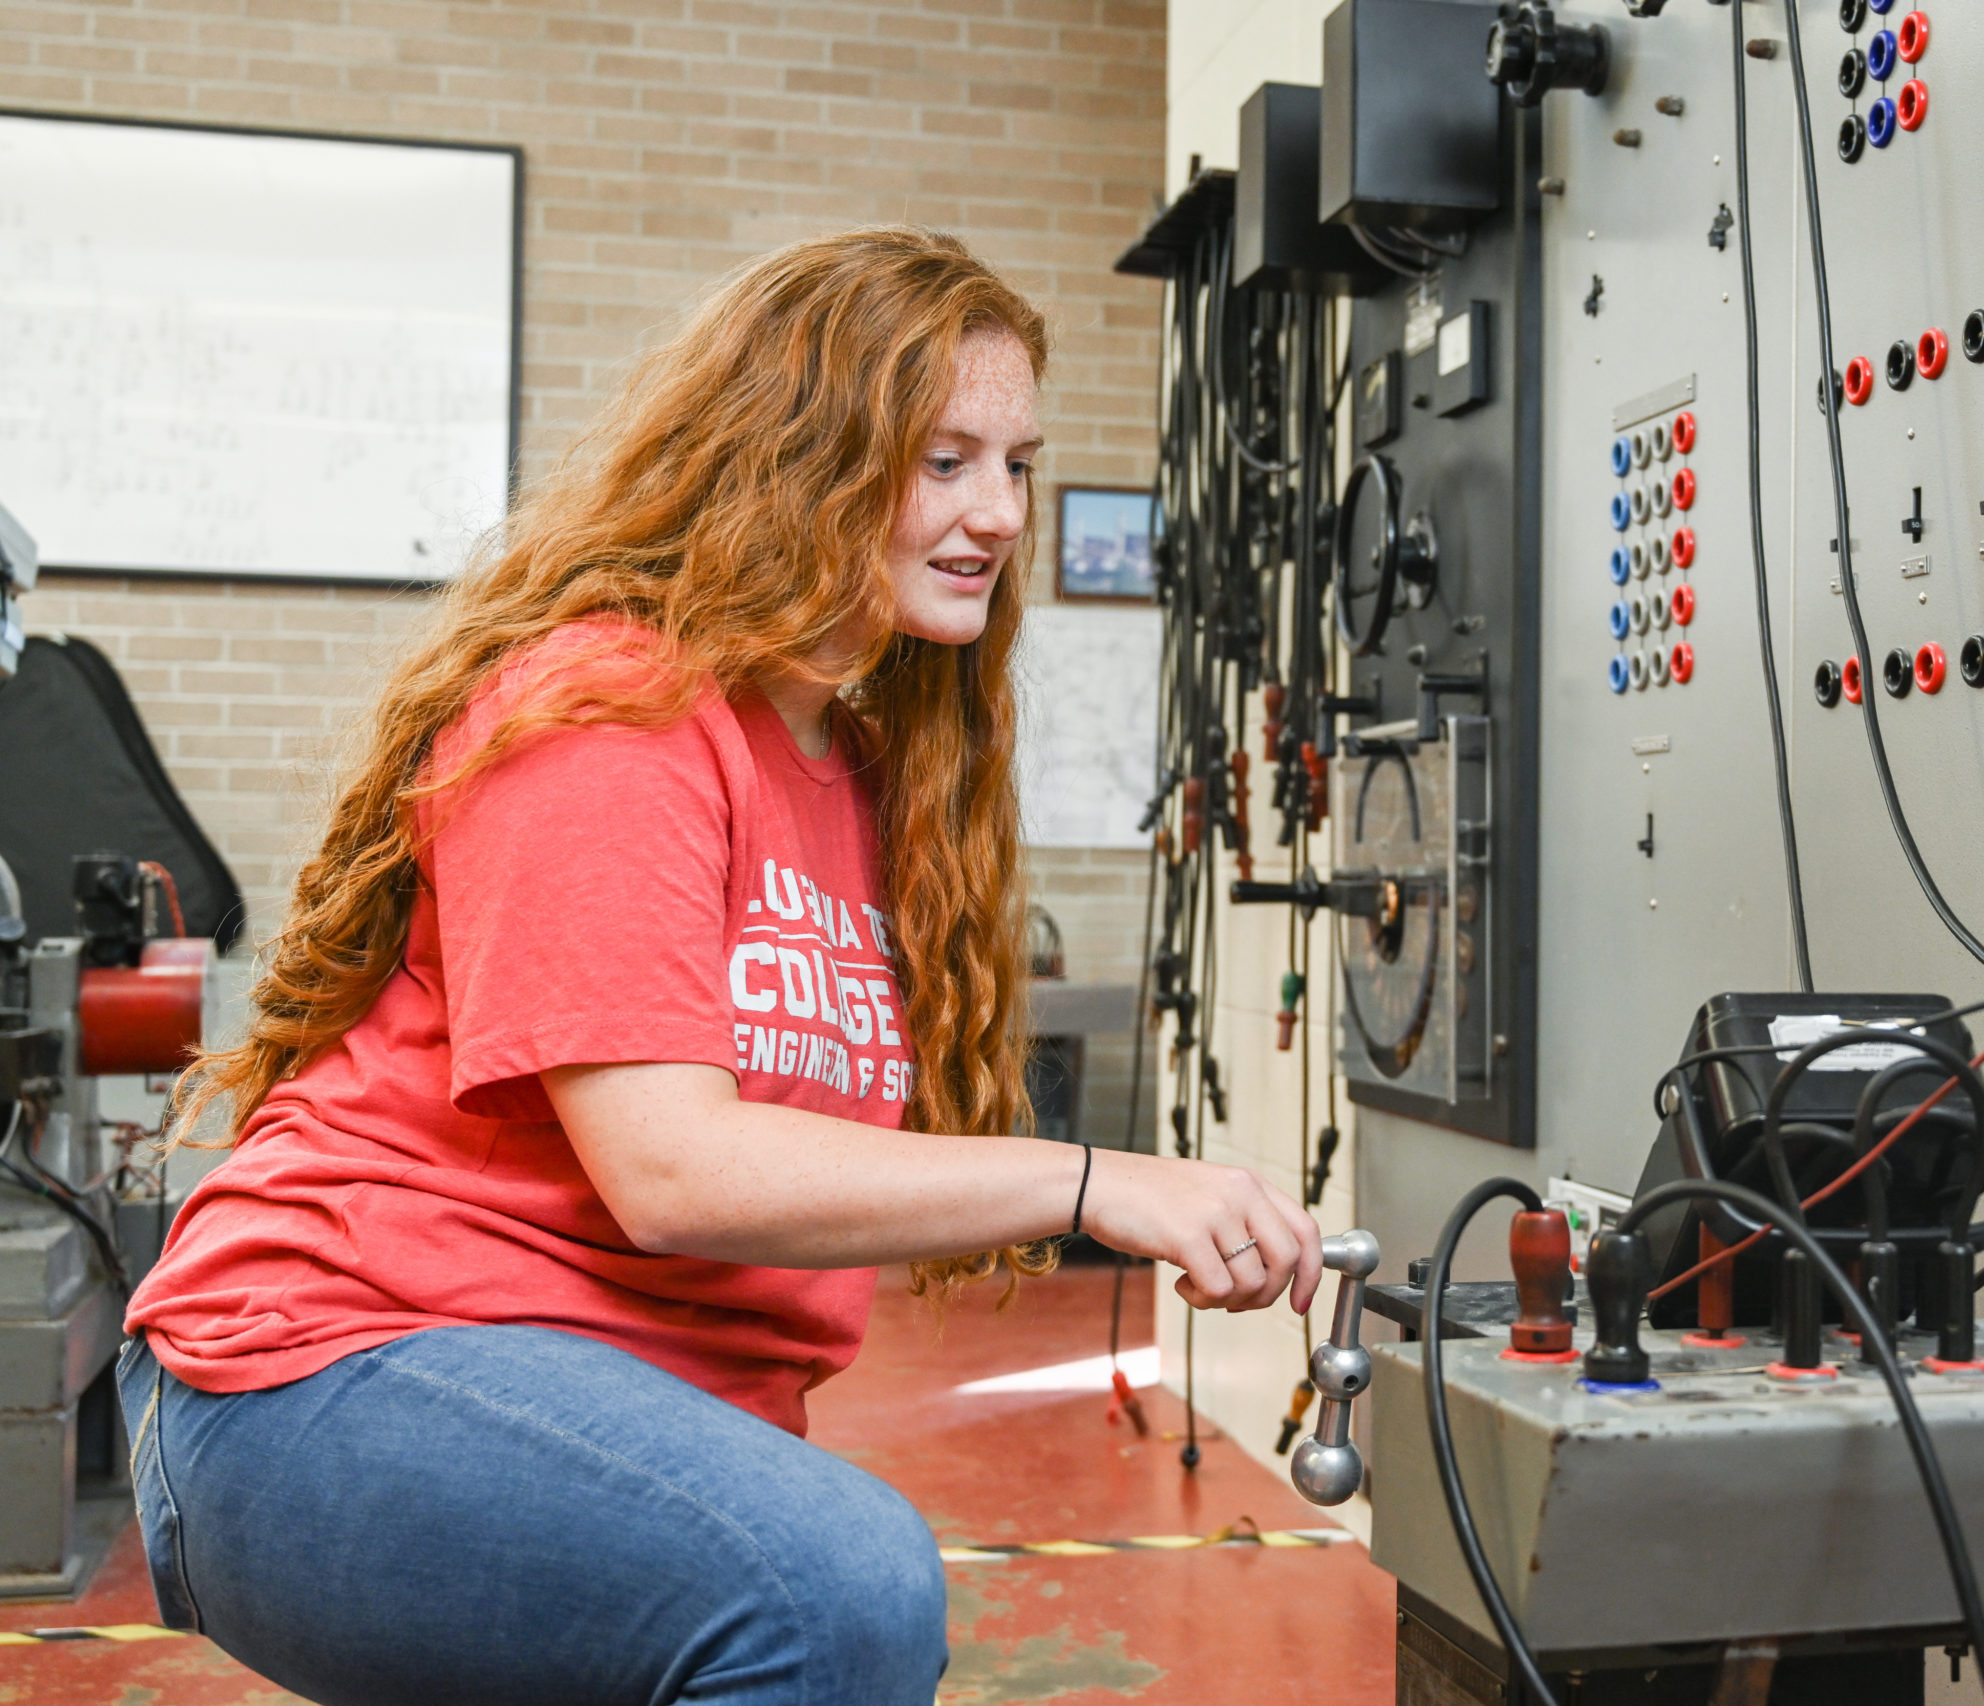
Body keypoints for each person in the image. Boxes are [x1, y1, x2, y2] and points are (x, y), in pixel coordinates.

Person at [117, 228, 1322, 1706]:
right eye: (942, 460)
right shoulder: (613, 710)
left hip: (578, 1391)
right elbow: (672, 1169)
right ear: (796, 455)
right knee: (835, 1589)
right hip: (321, 1369)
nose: (1000, 512)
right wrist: (1097, 1182)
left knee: (817, 1589)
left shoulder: (869, 769)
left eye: (1017, 462)